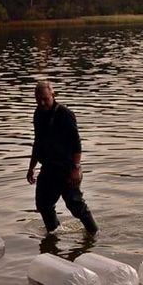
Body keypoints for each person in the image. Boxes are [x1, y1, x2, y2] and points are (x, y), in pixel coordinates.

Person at [26, 80, 98, 236]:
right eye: (38, 100)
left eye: (45, 99)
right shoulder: (38, 114)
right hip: (48, 167)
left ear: (53, 95)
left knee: (76, 206)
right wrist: (31, 167)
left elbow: (76, 143)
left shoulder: (65, 114)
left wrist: (76, 168)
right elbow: (37, 143)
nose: (42, 103)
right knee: (43, 205)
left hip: (67, 168)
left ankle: (94, 234)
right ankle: (53, 235)